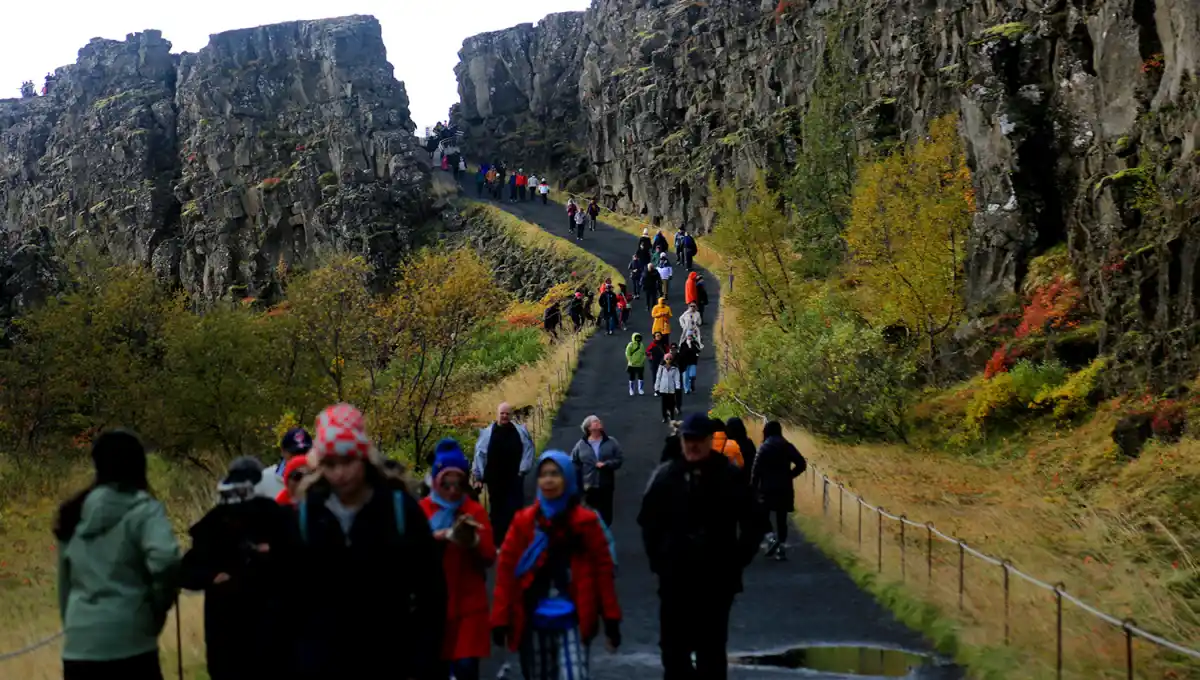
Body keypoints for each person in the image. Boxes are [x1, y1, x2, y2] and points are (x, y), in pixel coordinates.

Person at [293, 403, 445, 680]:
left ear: (363, 457)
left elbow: (431, 591)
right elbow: (292, 598)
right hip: (326, 665)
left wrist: (424, 662)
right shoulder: (307, 516)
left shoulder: (399, 509)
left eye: (347, 461)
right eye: (330, 464)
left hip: (391, 661)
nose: (340, 473)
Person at [638, 414, 764, 680]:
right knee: (673, 651)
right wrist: (659, 561)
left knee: (712, 650)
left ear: (709, 441)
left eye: (698, 440)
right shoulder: (667, 475)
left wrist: (737, 559)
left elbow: (754, 521)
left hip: (717, 579)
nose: (692, 445)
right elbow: (648, 521)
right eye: (688, 439)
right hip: (675, 577)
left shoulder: (729, 475)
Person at [54, 430, 181, 680]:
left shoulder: (72, 514)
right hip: (131, 642)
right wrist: (156, 609)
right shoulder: (144, 510)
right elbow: (166, 560)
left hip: (80, 647)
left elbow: (64, 586)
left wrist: (75, 627)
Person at [491, 452, 622, 680]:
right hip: (533, 622)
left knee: (575, 675)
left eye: (555, 474)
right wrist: (500, 620)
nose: (548, 480)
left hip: (573, 620)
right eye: (543, 475)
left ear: (568, 479)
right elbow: (507, 572)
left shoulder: (586, 523)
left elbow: (603, 572)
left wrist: (611, 619)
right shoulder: (524, 522)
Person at [181, 457, 294, 680]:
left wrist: (272, 554)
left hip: (265, 621)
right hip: (228, 623)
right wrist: (212, 576)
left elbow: (295, 557)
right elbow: (187, 571)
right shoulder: (214, 524)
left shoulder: (273, 516)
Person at [420, 439, 496, 680]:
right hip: (432, 606)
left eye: (458, 483)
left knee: (465, 668)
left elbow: (488, 556)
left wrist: (472, 542)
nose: (453, 490)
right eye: (446, 483)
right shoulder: (422, 510)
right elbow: (409, 556)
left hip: (468, 605)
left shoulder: (474, 511)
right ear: (435, 480)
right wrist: (437, 537)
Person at [472, 402, 537, 544]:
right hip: (494, 481)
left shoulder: (520, 432)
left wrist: (523, 470)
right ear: (497, 415)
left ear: (511, 415)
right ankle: (498, 542)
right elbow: (479, 455)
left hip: (515, 478)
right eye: (502, 413)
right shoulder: (487, 434)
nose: (504, 416)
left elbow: (529, 450)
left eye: (507, 413)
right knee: (496, 511)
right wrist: (478, 477)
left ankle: (517, 540)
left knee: (515, 510)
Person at [752, 422, 808, 561]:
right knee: (781, 518)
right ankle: (781, 548)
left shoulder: (764, 448)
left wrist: (753, 488)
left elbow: (756, 470)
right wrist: (790, 475)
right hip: (785, 487)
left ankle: (771, 538)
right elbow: (801, 463)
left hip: (767, 488)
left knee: (762, 514)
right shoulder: (786, 445)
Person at [569, 416, 625, 526]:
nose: (599, 422)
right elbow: (573, 461)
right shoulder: (581, 444)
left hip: (606, 485)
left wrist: (607, 464)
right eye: (595, 421)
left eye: (599, 421)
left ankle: (605, 537)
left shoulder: (611, 442)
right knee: (589, 515)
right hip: (589, 487)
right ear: (589, 428)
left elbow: (619, 459)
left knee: (606, 516)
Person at [255, 427, 313, 499]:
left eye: (304, 453)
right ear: (282, 452)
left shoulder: (320, 481)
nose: (298, 458)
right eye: (294, 453)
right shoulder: (265, 478)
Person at [655, 354, 682, 422]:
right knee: (664, 404)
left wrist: (678, 387)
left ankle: (672, 416)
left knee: (671, 403)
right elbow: (658, 377)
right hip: (663, 388)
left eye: (670, 359)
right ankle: (664, 417)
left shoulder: (675, 368)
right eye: (667, 359)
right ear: (664, 359)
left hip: (671, 388)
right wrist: (656, 388)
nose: (668, 360)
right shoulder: (661, 367)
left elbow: (677, 378)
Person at [625, 332, 647, 396]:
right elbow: (627, 353)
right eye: (636, 338)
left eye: (638, 338)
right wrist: (631, 360)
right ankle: (631, 389)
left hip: (640, 364)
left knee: (641, 377)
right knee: (632, 377)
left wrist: (642, 360)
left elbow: (643, 354)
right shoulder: (630, 345)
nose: (637, 339)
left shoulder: (641, 345)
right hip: (632, 364)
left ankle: (640, 389)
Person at [646, 332, 667, 397]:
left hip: (662, 362)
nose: (658, 337)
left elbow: (668, 352)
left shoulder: (664, 344)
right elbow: (647, 352)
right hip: (654, 362)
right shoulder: (652, 344)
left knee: (663, 376)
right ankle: (656, 390)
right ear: (654, 337)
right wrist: (651, 356)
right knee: (655, 376)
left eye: (659, 335)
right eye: (657, 336)